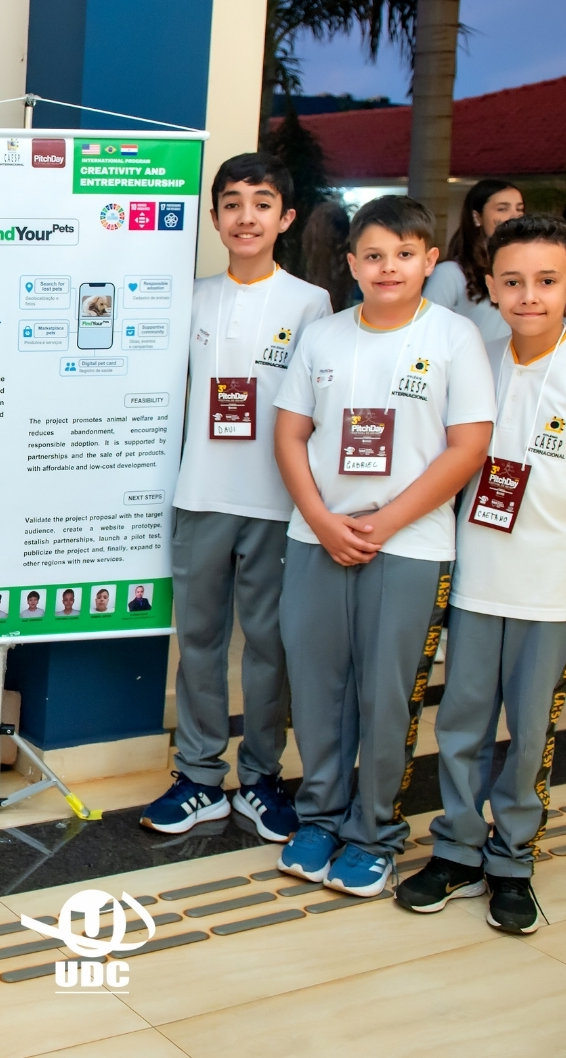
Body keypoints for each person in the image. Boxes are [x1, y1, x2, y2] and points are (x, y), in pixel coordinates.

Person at [395, 214, 566, 933]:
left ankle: (512, 859)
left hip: (555, 590)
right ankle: (458, 849)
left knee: (530, 731)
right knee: (462, 723)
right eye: (513, 281)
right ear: (492, 287)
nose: (529, 295)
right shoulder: (476, 361)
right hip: (477, 579)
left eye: (546, 281)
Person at [273, 194, 496, 897]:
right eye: (373, 255)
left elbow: (469, 448)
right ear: (351, 264)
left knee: (388, 693)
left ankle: (374, 831)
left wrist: (390, 519)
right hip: (318, 536)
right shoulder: (324, 337)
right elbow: (290, 435)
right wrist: (321, 519)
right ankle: (319, 817)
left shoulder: (455, 336)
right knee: (316, 687)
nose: (388, 267)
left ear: (429, 260)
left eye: (403, 254)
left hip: (410, 543)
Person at [144, 152, 334, 843]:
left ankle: (260, 778)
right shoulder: (190, 297)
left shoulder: (311, 303)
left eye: (261, 204)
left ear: (285, 218)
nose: (245, 217)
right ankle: (199, 777)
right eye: (231, 204)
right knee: (197, 642)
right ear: (215, 217)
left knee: (268, 648)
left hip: (278, 504)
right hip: (199, 495)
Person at [424, 179, 525, 341]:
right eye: (502, 209)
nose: (514, 216)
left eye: (519, 209)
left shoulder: (523, 271)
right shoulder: (450, 273)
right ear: (477, 217)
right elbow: (426, 332)